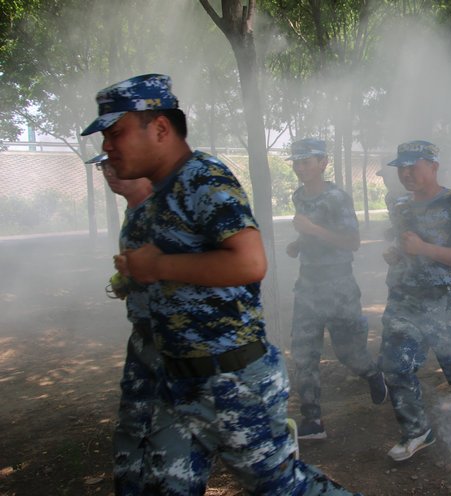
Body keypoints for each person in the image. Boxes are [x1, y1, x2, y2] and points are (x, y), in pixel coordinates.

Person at [82, 73, 360, 495]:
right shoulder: (156, 196)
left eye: (116, 132)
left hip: (232, 380)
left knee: (281, 487)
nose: (107, 146)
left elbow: (249, 262)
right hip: (177, 383)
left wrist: (159, 266)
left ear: (159, 128)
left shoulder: (203, 176)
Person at [379, 140, 451, 461]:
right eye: (402, 167)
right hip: (405, 300)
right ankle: (416, 431)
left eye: (414, 166)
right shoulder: (400, 204)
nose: (406, 173)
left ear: (434, 166)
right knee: (394, 366)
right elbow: (405, 246)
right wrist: (397, 254)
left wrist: (424, 249)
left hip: (448, 302)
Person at [285, 137, 387, 440]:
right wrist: (298, 243)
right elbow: (312, 236)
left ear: (323, 163)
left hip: (338, 283)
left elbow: (351, 241)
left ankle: (371, 372)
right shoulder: (298, 196)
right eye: (296, 162)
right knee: (303, 352)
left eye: (306, 162)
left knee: (347, 351)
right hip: (308, 284)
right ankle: (313, 420)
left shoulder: (337, 197)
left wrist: (311, 230)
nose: (300, 168)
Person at [88, 153, 159, 495]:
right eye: (103, 167)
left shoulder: (164, 211)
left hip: (177, 342)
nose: (109, 173)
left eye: (116, 163)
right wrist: (126, 281)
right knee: (132, 427)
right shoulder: (133, 212)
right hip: (143, 339)